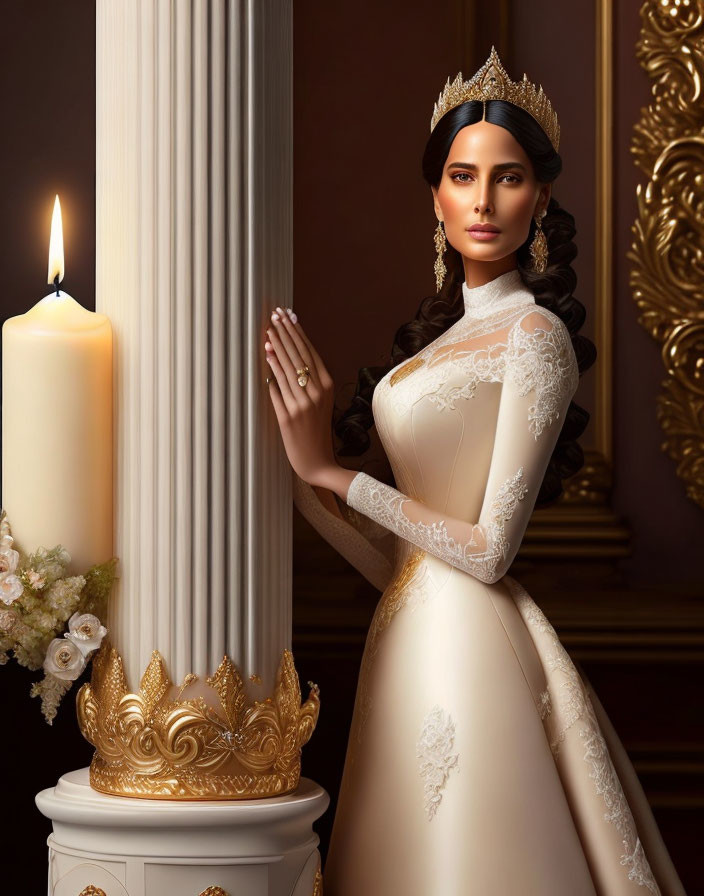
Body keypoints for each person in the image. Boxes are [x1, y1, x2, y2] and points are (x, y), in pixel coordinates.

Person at [263, 47, 686, 895]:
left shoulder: (537, 337)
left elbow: (489, 551)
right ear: (436, 194)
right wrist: (299, 483)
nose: (483, 201)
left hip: (472, 650)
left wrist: (338, 477)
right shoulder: (441, 339)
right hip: (405, 636)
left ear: (543, 197)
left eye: (509, 177)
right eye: (463, 176)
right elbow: (401, 565)